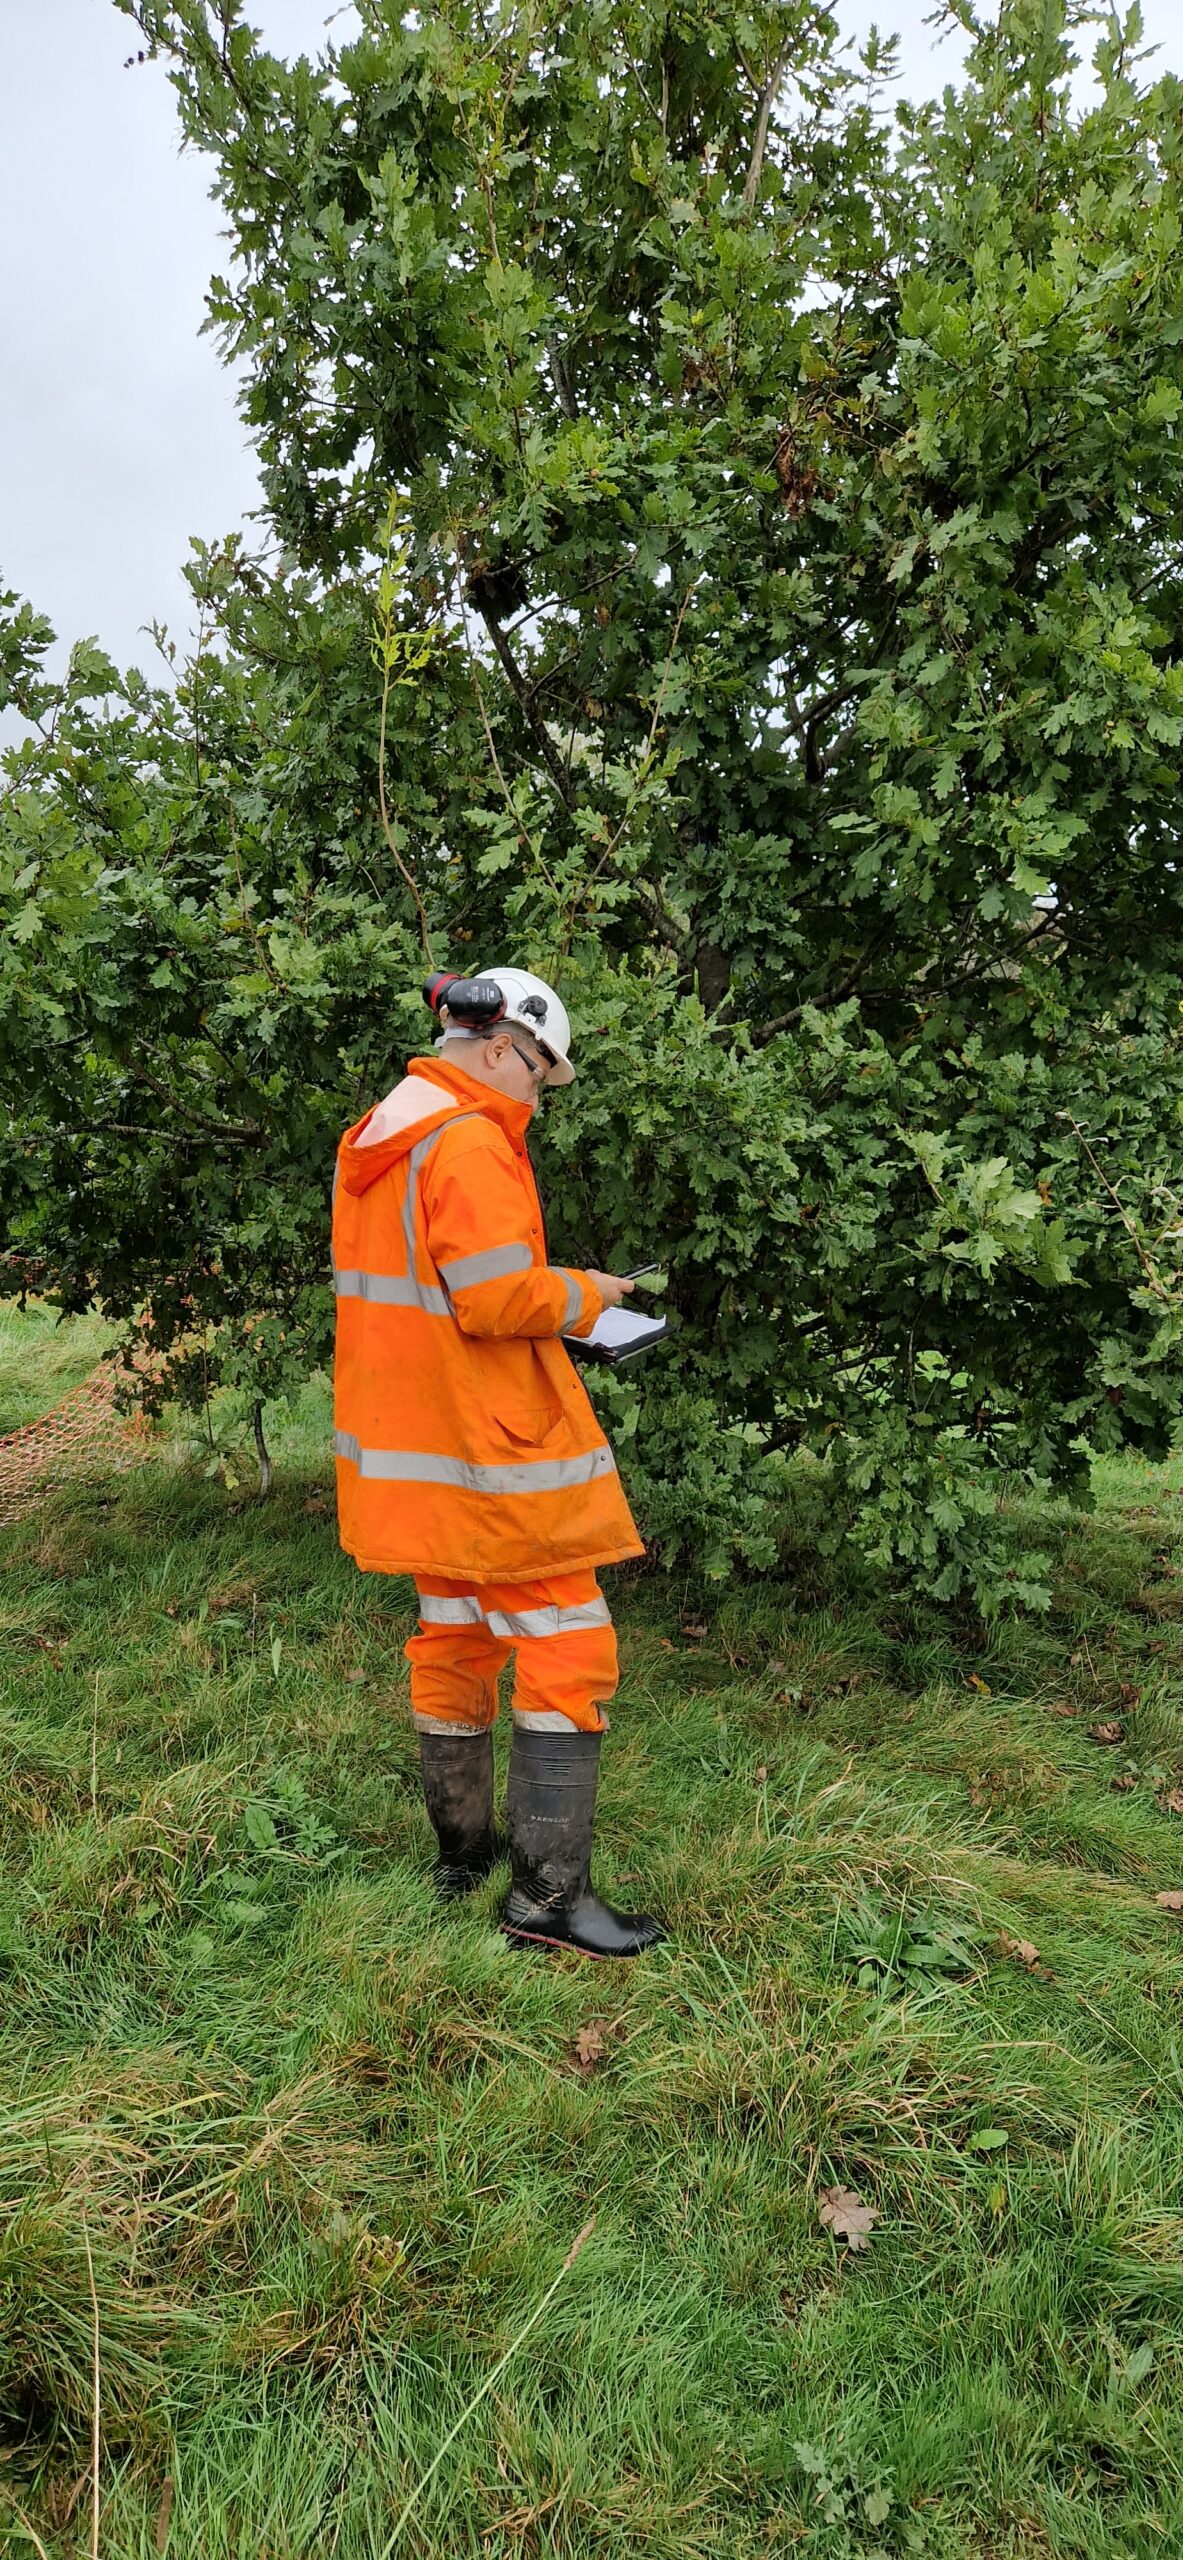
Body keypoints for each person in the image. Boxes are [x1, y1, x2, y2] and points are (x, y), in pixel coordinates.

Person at [331, 964, 664, 1960]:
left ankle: (462, 1856)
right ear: (495, 1045)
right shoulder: (468, 1140)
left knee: (454, 1638)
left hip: (418, 1447)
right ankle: (548, 1902)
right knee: (569, 1646)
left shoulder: (384, 1134)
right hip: (491, 1446)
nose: (536, 1096)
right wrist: (588, 1292)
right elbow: (490, 1297)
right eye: (537, 1073)